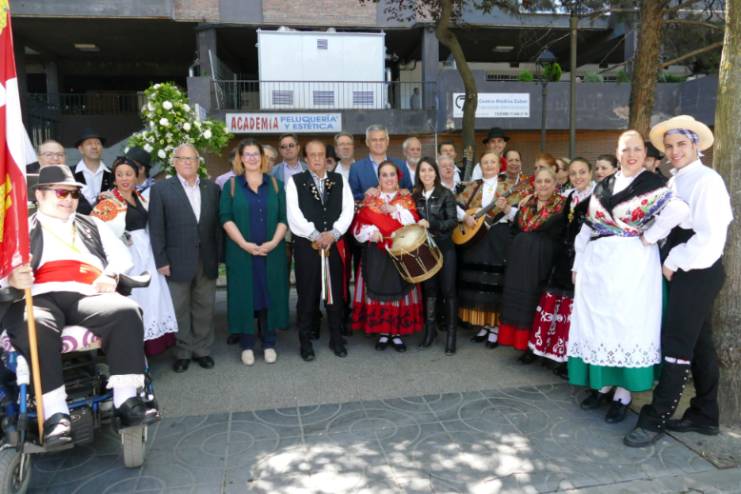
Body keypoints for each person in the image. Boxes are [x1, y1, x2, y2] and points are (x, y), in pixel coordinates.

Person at [1, 165, 159, 447]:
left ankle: (126, 403)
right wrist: (12, 277)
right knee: (33, 322)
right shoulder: (20, 230)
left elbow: (121, 258)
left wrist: (111, 275)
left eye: (73, 194)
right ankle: (55, 413)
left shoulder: (92, 224)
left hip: (88, 291)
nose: (69, 199)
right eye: (61, 193)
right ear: (40, 194)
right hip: (40, 293)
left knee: (126, 311)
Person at [568, 130, 689, 425]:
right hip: (597, 266)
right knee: (601, 325)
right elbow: (588, 225)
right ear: (617, 152)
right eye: (626, 149)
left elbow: (678, 210)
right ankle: (603, 386)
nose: (631, 155)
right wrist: (577, 263)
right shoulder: (604, 184)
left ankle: (622, 395)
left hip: (632, 265)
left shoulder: (652, 183)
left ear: (644, 154)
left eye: (637, 149)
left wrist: (650, 235)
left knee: (627, 325)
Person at [625, 116, 732, 447]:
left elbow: (711, 237)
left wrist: (673, 262)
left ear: (696, 145)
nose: (674, 151)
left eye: (681, 144)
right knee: (699, 343)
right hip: (684, 269)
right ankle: (705, 415)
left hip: (696, 270)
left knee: (676, 344)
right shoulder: (676, 181)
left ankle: (655, 418)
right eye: (669, 146)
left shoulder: (707, 181)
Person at [91, 156, 179, 356]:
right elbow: (94, 228)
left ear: (136, 176)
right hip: (127, 254)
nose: (124, 178)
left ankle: (152, 344)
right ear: (114, 178)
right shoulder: (108, 201)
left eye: (128, 174)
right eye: (119, 174)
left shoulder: (140, 197)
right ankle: (133, 348)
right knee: (134, 297)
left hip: (147, 252)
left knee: (153, 296)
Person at [149, 143, 222, 373]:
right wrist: (161, 260)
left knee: (204, 306)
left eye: (193, 158)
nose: (188, 162)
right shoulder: (161, 189)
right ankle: (182, 352)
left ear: (199, 162)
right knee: (179, 307)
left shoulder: (212, 188)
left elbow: (217, 226)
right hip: (176, 260)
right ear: (174, 162)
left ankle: (202, 349)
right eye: (183, 158)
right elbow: (156, 229)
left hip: (207, 258)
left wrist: (220, 256)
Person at [220, 139, 289, 366]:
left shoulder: (276, 184)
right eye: (247, 154)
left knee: (269, 294)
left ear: (262, 158)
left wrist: (274, 241)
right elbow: (226, 218)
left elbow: (283, 218)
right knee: (244, 297)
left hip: (271, 252)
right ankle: (247, 344)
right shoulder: (231, 185)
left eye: (255, 154)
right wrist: (244, 244)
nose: (252, 158)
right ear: (240, 159)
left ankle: (269, 343)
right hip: (242, 253)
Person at [287, 140, 354, 361]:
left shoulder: (339, 180)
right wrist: (315, 235)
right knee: (307, 294)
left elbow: (348, 210)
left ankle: (336, 338)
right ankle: (305, 342)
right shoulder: (295, 182)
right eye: (312, 155)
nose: (317, 159)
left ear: (326, 157)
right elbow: (294, 214)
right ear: (306, 159)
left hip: (333, 245)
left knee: (334, 294)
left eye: (320, 154)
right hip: (307, 247)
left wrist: (333, 233)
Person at [528, 158, 594, 377]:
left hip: (583, 257)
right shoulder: (571, 196)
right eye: (573, 173)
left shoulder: (596, 198)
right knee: (558, 304)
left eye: (582, 172)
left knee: (574, 308)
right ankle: (553, 351)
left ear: (590, 173)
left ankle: (570, 359)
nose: (577, 177)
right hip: (564, 256)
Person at [352, 161, 423, 350]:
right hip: (376, 254)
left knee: (399, 288)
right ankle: (383, 332)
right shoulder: (370, 200)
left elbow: (413, 223)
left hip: (401, 252)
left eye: (392, 174)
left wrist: (395, 210)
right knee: (378, 286)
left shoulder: (406, 200)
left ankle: (396, 333)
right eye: (384, 175)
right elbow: (358, 226)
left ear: (397, 177)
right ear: (379, 178)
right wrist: (371, 232)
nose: (389, 178)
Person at [499, 168, 567, 359]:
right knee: (518, 302)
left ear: (555, 184)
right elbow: (514, 229)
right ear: (534, 184)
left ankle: (533, 348)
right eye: (539, 181)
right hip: (519, 261)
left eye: (547, 181)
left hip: (542, 261)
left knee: (535, 302)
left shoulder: (562, 205)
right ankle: (519, 343)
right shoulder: (527, 203)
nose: (543, 185)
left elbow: (562, 235)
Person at [456, 152, 516, 348]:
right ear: (480, 166)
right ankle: (483, 325)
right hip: (476, 237)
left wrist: (505, 209)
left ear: (499, 165)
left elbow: (517, 214)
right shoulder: (472, 186)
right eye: (485, 162)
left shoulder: (509, 186)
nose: (489, 165)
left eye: (492, 162)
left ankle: (495, 327)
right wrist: (465, 217)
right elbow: (456, 206)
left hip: (499, 236)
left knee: (495, 281)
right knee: (478, 280)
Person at [412, 157, 458, 354]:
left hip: (445, 247)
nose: (427, 174)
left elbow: (453, 222)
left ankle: (451, 337)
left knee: (448, 290)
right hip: (425, 250)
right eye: (423, 170)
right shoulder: (415, 196)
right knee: (429, 291)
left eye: (430, 170)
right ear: (418, 174)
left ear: (436, 173)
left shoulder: (446, 194)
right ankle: (430, 332)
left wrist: (432, 224)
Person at [348, 124, 413, 200]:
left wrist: (405, 192)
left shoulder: (401, 165)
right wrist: (364, 195)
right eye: (374, 140)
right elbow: (349, 197)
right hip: (368, 207)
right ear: (367, 142)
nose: (378, 143)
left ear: (387, 141)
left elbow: (410, 191)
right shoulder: (356, 168)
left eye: (381, 139)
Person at [73, 128, 113, 214]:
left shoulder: (113, 174)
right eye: (89, 143)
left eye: (97, 143)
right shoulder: (70, 173)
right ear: (81, 149)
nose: (94, 147)